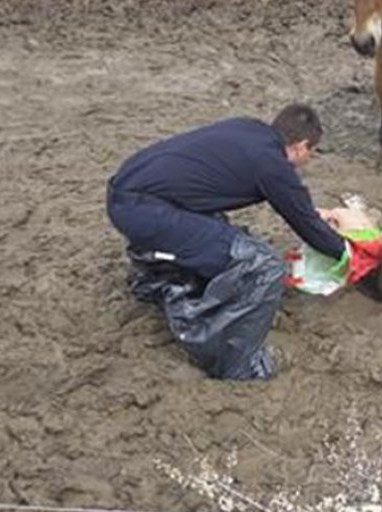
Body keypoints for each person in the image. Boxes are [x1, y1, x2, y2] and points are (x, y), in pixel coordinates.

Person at [106, 103, 347, 381]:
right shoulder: (272, 164)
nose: (309, 159)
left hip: (126, 191)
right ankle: (235, 363)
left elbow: (297, 206)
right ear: (302, 146)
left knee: (220, 231)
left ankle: (158, 279)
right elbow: (306, 224)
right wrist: (346, 251)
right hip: (145, 212)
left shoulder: (250, 129)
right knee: (263, 267)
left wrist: (313, 215)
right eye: (312, 153)